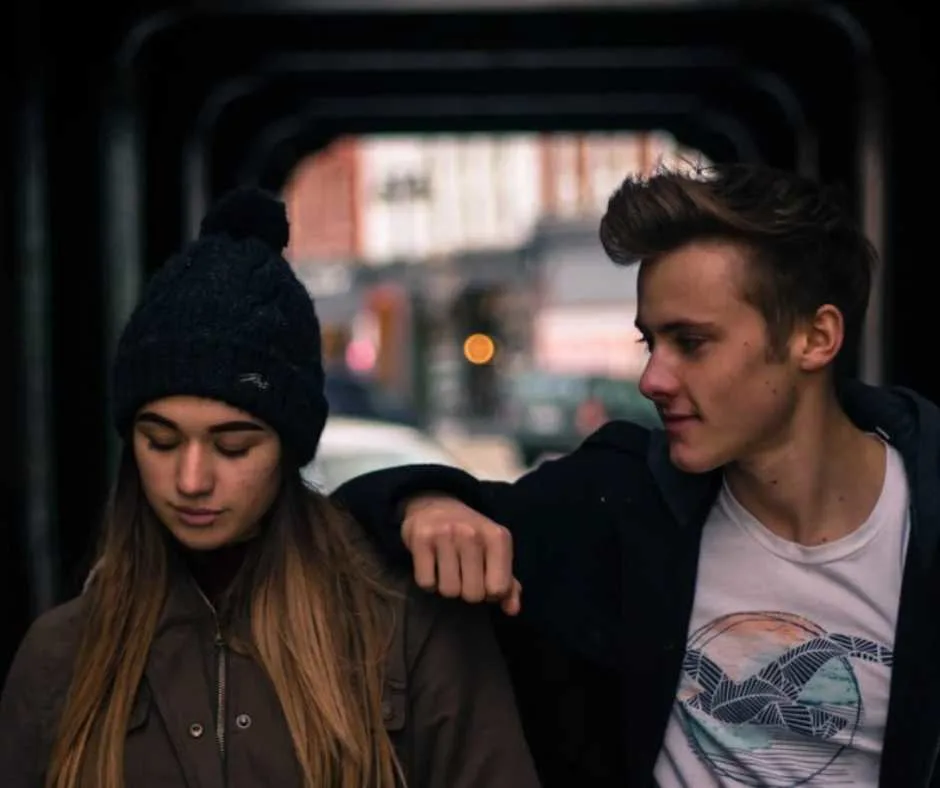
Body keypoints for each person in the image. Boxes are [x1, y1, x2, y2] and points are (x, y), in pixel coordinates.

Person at [332, 162, 940, 787]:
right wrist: (425, 503)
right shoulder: (620, 500)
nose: (653, 379)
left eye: (692, 343)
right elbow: (338, 521)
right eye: (650, 342)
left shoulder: (924, 517)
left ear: (816, 338)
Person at [0, 187, 541, 788]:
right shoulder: (60, 655)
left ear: (289, 448)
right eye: (161, 440)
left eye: (234, 446)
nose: (192, 480)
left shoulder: (406, 628)